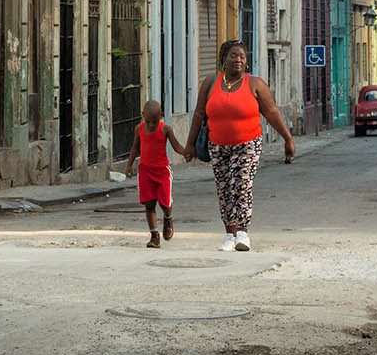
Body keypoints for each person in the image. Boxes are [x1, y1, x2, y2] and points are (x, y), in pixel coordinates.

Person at [183, 40, 296, 251]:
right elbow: (199, 114)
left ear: (246, 62)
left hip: (248, 143)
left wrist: (287, 138)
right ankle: (229, 234)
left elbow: (272, 113)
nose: (238, 60)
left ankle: (243, 233)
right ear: (224, 59)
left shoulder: (255, 84)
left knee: (241, 185)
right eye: (233, 56)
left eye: (242, 57)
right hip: (217, 145)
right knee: (224, 188)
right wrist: (189, 145)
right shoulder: (210, 82)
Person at [124, 99, 186, 247]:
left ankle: (168, 218)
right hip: (145, 170)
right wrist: (129, 165)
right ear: (143, 115)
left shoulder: (166, 130)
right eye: (149, 121)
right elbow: (134, 148)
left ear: (161, 116)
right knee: (149, 204)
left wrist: (186, 152)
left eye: (155, 121)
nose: (152, 125)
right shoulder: (139, 129)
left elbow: (176, 145)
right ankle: (154, 236)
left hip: (162, 171)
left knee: (165, 203)